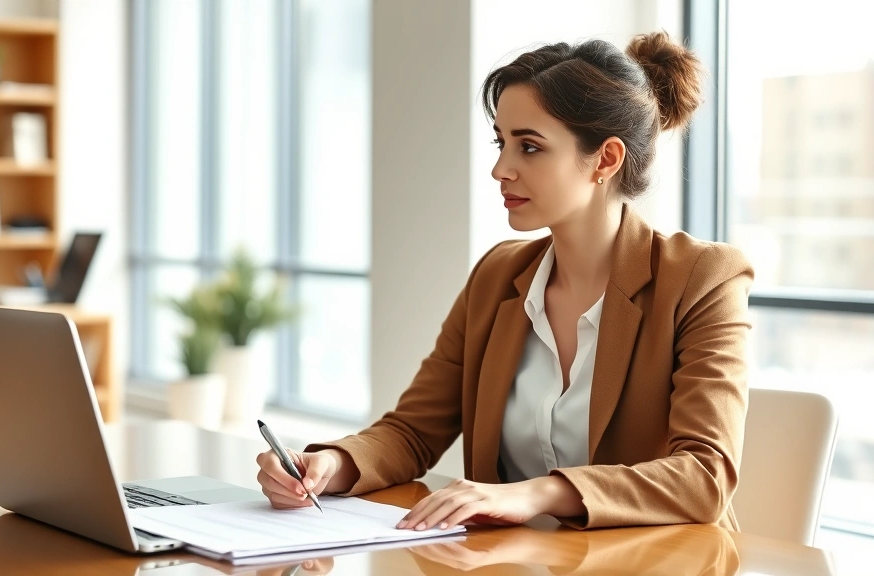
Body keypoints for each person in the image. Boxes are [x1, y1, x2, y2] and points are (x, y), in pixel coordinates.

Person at [256, 31, 754, 532]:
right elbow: (412, 432)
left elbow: (704, 475)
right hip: (508, 561)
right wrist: (329, 467)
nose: (500, 169)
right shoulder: (498, 275)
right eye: (502, 143)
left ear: (605, 159)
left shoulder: (702, 279)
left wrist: (535, 494)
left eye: (529, 147)